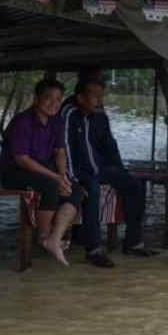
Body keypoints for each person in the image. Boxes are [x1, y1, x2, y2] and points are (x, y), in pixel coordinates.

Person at [61, 79, 151, 267]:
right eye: (95, 96)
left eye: (101, 96)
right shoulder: (70, 114)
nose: (100, 101)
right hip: (79, 171)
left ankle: (133, 242)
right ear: (80, 97)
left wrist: (120, 170)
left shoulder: (99, 115)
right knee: (92, 190)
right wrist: (70, 177)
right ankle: (93, 249)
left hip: (99, 169)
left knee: (135, 184)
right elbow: (64, 149)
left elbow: (110, 145)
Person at [0, 78, 84, 266]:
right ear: (36, 98)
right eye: (48, 98)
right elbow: (22, 159)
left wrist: (63, 175)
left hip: (43, 171)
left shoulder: (57, 121)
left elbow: (60, 151)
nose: (54, 104)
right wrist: (55, 177)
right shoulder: (22, 121)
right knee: (51, 185)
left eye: (58, 99)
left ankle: (55, 238)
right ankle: (43, 236)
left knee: (75, 190)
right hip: (15, 172)